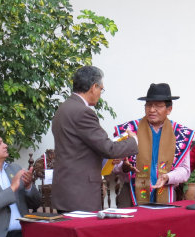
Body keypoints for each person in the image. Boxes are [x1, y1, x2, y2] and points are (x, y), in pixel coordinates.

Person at [51, 65, 139, 212]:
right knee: (82, 233)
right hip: (80, 193)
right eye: (101, 89)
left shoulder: (63, 108)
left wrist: (107, 161)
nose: (100, 93)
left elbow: (78, 149)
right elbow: (108, 148)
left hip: (65, 190)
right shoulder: (83, 112)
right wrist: (134, 140)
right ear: (93, 87)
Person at [113, 83, 194, 205]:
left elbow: (185, 170)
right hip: (131, 193)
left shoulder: (180, 133)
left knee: (165, 224)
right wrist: (122, 167)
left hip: (166, 193)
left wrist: (167, 177)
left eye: (158, 106)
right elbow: (113, 165)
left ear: (169, 109)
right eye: (149, 105)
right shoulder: (128, 130)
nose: (152, 110)